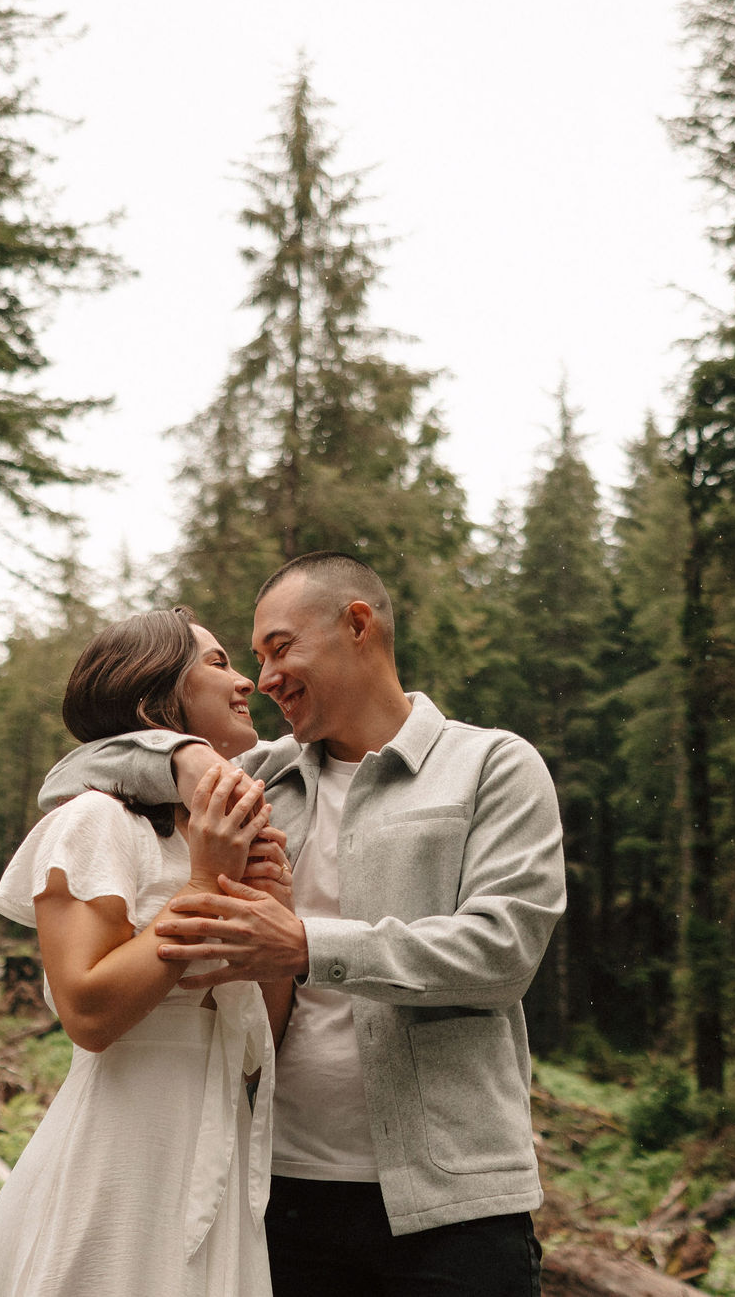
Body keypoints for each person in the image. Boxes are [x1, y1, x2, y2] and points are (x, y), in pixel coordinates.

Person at [38, 552, 566, 1297]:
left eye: (280, 648)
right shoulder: (256, 777)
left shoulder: (492, 766)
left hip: (456, 1202)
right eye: (252, 658)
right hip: (282, 1192)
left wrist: (306, 944)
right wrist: (182, 755)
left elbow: (503, 951)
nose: (265, 676)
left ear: (357, 624)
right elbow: (68, 774)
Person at [0, 607, 297, 1297]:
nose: (245, 682)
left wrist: (271, 916)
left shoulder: (215, 835)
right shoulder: (95, 822)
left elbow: (264, 1031)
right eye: (217, 663)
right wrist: (205, 886)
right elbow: (88, 1014)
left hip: (219, 1151)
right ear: (154, 701)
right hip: (119, 1161)